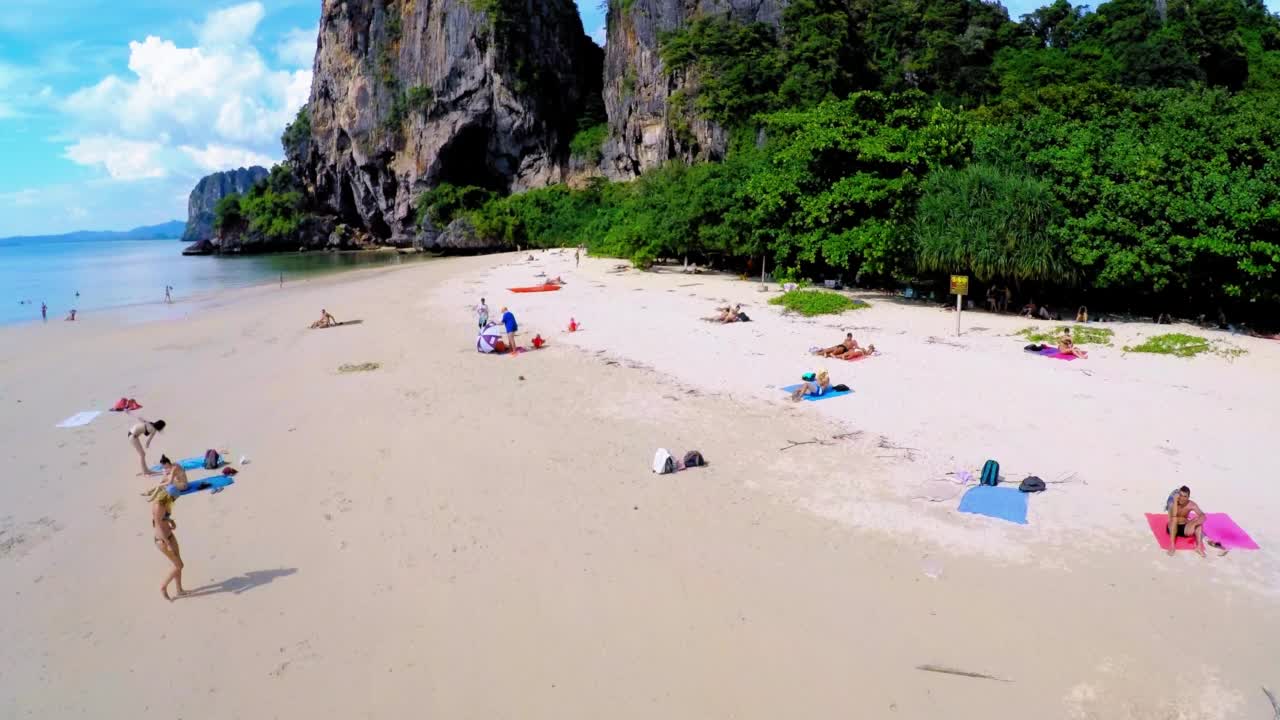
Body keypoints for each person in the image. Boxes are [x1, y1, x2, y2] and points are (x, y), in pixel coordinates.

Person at [147, 462, 188, 602]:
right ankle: (163, 587)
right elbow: (157, 524)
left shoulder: (165, 503)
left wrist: (170, 521)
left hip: (169, 535)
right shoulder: (159, 505)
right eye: (174, 498)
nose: (174, 500)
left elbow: (163, 518)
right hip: (162, 540)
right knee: (179, 565)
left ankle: (179, 589)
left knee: (178, 562)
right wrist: (167, 543)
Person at [1166, 485, 1207, 557]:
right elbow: (1174, 515)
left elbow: (1203, 515)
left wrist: (1194, 523)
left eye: (1185, 496)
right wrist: (1175, 501)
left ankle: (1198, 547)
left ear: (1188, 497)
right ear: (1178, 495)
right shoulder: (1172, 502)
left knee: (1199, 525)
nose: (1182, 498)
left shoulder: (1191, 505)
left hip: (1184, 528)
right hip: (1171, 527)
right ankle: (1172, 546)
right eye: (1180, 495)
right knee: (1174, 519)